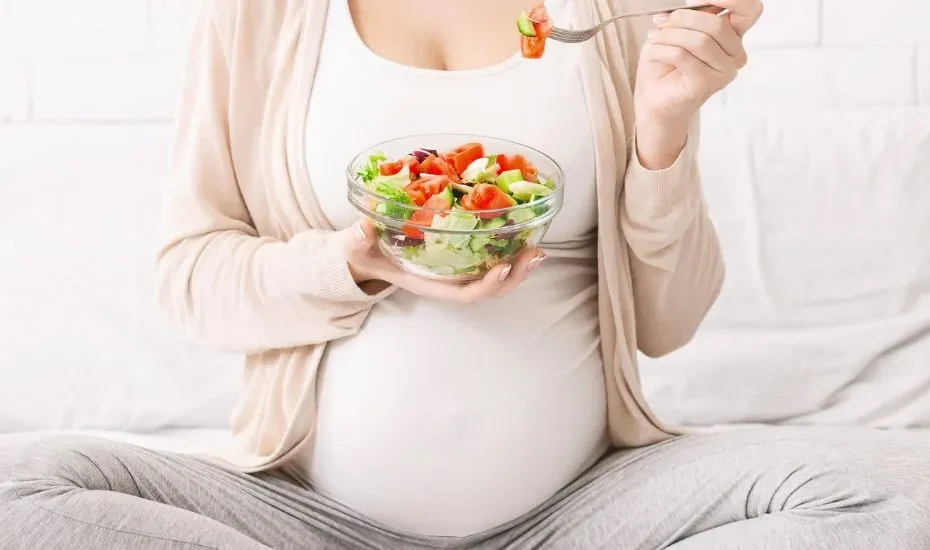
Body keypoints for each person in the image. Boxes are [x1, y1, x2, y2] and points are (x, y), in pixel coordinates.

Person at [2, 0, 930, 548]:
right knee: (23, 487)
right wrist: (354, 262)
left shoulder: (603, 21)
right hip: (310, 523)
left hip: (580, 513)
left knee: (903, 483)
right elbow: (190, 279)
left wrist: (663, 130)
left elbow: (669, 321)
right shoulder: (267, 17)